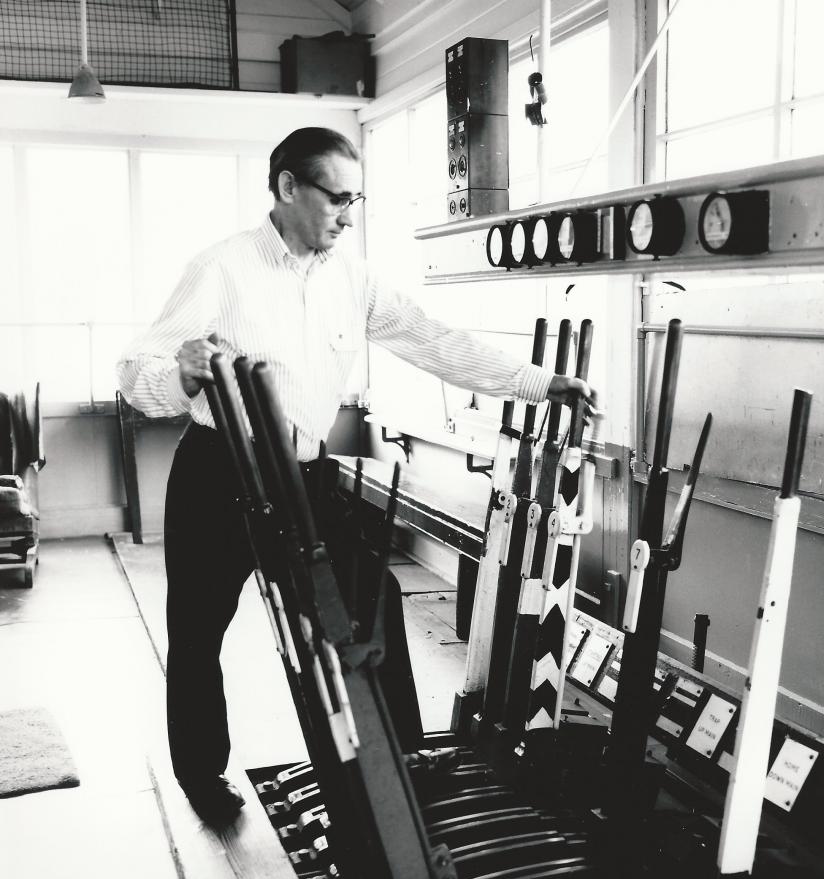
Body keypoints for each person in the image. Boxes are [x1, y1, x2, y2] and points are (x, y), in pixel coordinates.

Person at [117, 126, 599, 826]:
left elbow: (432, 339)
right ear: (287, 188)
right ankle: (202, 775)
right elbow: (136, 370)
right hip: (219, 471)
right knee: (198, 631)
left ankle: (396, 759)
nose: (349, 215)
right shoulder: (221, 268)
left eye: (356, 199)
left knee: (373, 605)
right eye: (337, 198)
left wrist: (539, 382)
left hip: (304, 476)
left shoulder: (353, 277)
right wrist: (178, 371)